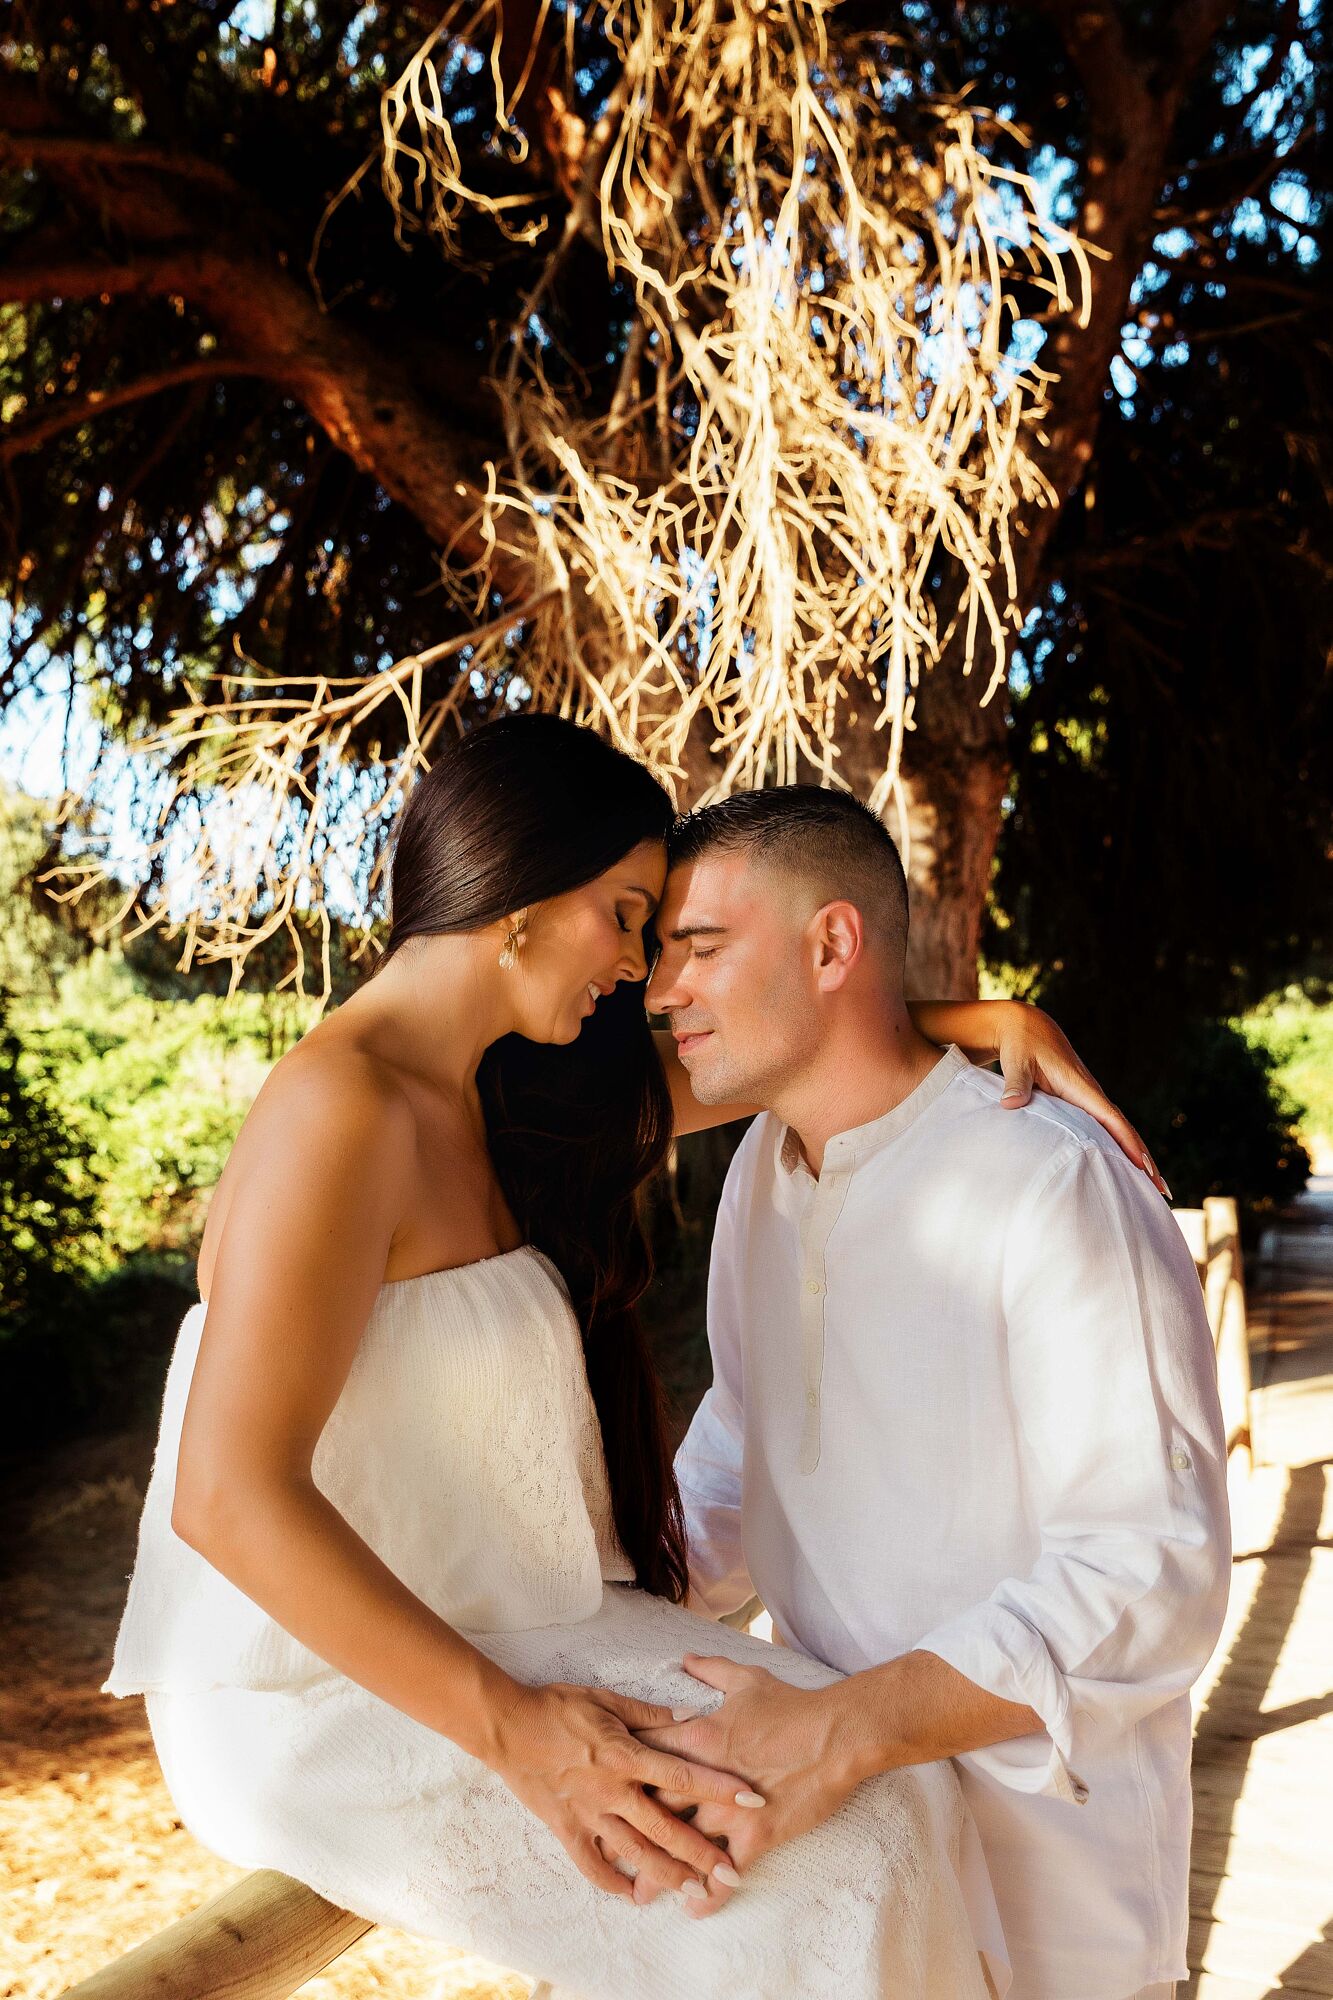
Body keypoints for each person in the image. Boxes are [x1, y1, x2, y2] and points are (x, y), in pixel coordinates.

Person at [105, 715, 1164, 2000]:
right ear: (516, 900)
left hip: (512, 1623)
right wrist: (525, 1737)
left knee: (889, 1791)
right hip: (304, 1687)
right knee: (845, 1857)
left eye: (666, 932)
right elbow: (227, 1494)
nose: (640, 967)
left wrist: (975, 1011)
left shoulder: (500, 1102)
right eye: (625, 914)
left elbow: (804, 1035)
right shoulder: (337, 1111)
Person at [638, 786, 1231, 2000]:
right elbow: (741, 1447)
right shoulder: (759, 1167)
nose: (660, 991)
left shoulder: (1048, 1180)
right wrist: (587, 1611)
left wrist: (845, 1727)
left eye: (699, 948)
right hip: (832, 1870)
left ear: (832, 943)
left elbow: (1148, 1566)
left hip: (1049, 1899)